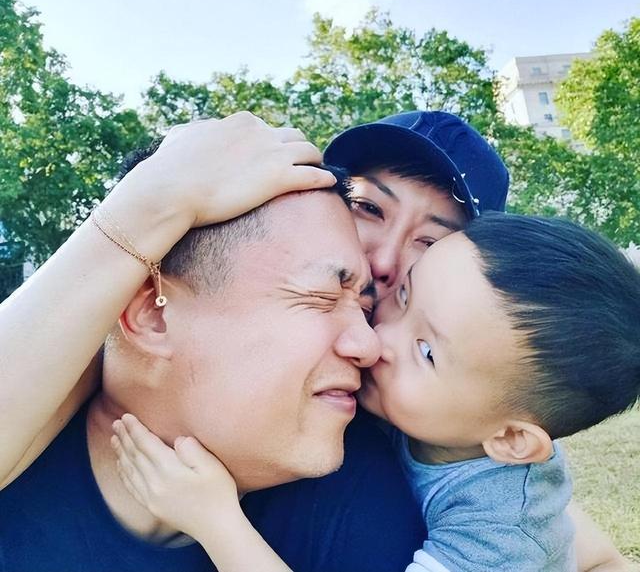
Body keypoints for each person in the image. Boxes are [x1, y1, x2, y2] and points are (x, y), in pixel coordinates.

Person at [0, 112, 627, 571]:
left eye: (430, 243)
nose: (385, 261)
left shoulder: (469, 463)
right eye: (369, 208)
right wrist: (149, 207)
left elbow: (568, 540)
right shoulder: (75, 359)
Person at [109, 212, 640, 572]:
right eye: (403, 295)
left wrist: (214, 520)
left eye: (426, 352)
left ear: (510, 440)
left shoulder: (502, 531)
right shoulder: (452, 413)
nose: (376, 340)